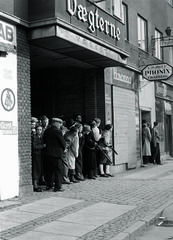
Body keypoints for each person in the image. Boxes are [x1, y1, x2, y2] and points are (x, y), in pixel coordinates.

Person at [43, 117, 66, 192]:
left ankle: (49, 185)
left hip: (48, 153)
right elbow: (63, 143)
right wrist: (64, 148)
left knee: (49, 171)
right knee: (58, 171)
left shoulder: (47, 130)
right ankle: (58, 186)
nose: (60, 125)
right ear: (55, 123)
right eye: (59, 123)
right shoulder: (58, 131)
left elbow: (44, 140)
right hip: (57, 154)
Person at [32, 125, 45, 192]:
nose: (39, 131)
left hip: (40, 155)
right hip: (36, 155)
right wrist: (42, 146)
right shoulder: (34, 137)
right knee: (36, 169)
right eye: (38, 129)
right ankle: (35, 185)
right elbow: (34, 146)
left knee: (40, 169)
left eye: (40, 129)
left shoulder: (42, 137)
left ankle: (39, 183)